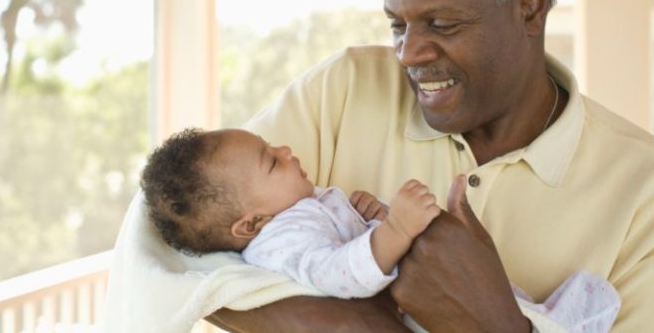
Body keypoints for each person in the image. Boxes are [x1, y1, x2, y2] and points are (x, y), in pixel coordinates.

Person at [205, 0, 654, 332]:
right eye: (398, 24)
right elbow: (167, 237)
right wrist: (342, 325)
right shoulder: (343, 90)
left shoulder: (642, 190)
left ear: (531, 5)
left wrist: (495, 322)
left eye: (441, 24)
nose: (408, 53)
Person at [141, 128, 620, 332]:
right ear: (250, 223)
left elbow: (341, 243)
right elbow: (337, 274)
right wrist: (394, 229)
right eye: (271, 160)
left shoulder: (291, 210)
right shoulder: (278, 242)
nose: (286, 151)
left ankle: (545, 317)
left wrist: (365, 217)